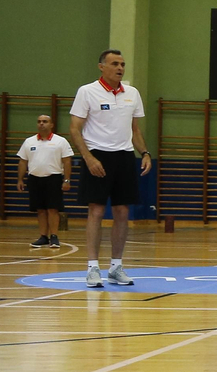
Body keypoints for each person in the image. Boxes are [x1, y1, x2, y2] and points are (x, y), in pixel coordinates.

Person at [68, 49, 152, 288]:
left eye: (123, 64)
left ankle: (116, 267)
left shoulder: (132, 94)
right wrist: (89, 158)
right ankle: (92, 268)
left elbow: (134, 129)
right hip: (97, 155)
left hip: (124, 156)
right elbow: (75, 129)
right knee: (95, 211)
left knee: (122, 212)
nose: (120, 68)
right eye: (115, 63)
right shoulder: (87, 92)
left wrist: (144, 153)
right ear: (101, 66)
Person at [16, 114, 73, 249]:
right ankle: (43, 236)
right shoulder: (29, 142)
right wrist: (20, 179)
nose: (42, 124)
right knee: (40, 210)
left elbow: (67, 161)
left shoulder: (61, 141)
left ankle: (54, 236)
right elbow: (23, 161)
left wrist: (67, 180)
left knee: (53, 209)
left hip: (53, 178)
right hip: (35, 178)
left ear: (51, 124)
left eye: (45, 121)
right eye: (39, 121)